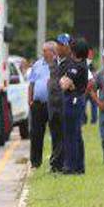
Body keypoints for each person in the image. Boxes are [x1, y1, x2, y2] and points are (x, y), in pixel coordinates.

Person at [58, 36, 90, 174]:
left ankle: (71, 166)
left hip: (74, 100)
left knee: (71, 133)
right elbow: (66, 82)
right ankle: (78, 166)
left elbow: (64, 85)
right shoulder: (78, 63)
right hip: (74, 98)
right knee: (75, 133)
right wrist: (67, 81)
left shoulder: (77, 66)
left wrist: (66, 80)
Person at [26, 41, 55, 168]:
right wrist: (30, 100)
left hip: (53, 103)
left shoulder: (58, 65)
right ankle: (35, 161)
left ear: (52, 52)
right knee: (36, 133)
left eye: (45, 50)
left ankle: (56, 161)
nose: (43, 53)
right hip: (38, 104)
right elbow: (31, 84)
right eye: (43, 50)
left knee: (56, 132)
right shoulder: (37, 65)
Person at [47, 34, 71, 173]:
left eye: (63, 45)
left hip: (64, 103)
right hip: (53, 103)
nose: (60, 47)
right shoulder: (54, 62)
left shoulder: (71, 62)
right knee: (55, 134)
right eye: (59, 44)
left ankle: (63, 164)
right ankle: (55, 163)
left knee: (64, 134)